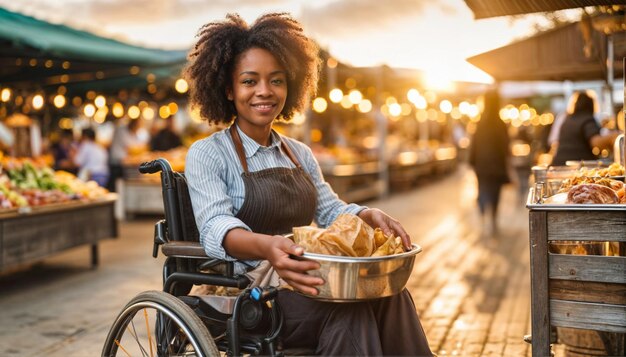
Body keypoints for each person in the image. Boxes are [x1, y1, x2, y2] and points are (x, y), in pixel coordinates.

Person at [184, 13, 432, 356]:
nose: (264, 91)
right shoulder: (208, 154)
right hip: (249, 292)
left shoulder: (298, 152)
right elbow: (216, 227)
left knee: (393, 295)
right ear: (227, 88)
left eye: (276, 80)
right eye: (249, 81)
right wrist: (269, 247)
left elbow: (330, 211)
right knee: (351, 311)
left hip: (304, 280)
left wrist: (366, 214)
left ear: (292, 85)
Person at [469, 89, 510, 236]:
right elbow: (505, 147)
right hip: (496, 166)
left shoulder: (479, 123)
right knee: (495, 193)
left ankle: (482, 218)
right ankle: (492, 220)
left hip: (481, 165)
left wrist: (472, 162)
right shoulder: (500, 124)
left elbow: (473, 145)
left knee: (483, 191)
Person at [552, 91, 619, 166]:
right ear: (591, 105)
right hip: (578, 166)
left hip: (558, 164)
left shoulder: (567, 120)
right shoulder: (587, 119)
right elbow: (596, 142)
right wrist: (614, 136)